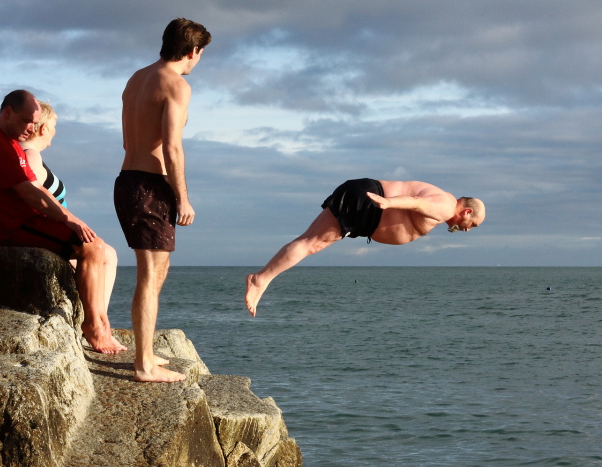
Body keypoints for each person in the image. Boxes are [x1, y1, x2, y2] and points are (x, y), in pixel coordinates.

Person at [0, 89, 125, 354]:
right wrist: (72, 221)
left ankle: (100, 323)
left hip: (26, 221)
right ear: (7, 112)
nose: (32, 127)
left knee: (95, 245)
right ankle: (94, 327)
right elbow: (32, 195)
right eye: (28, 120)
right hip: (16, 227)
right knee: (92, 247)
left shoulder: (7, 141)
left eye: (35, 121)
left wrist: (72, 221)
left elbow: (36, 190)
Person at [115, 17, 211, 383]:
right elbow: (172, 146)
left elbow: (128, 140)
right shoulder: (177, 85)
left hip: (127, 179)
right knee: (149, 271)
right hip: (150, 186)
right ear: (193, 51)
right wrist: (182, 198)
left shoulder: (136, 79)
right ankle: (143, 365)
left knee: (159, 267)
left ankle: (145, 349)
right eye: (201, 54)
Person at [244, 178, 486, 316]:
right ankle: (261, 279)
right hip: (370, 204)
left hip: (365, 197)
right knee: (311, 245)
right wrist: (388, 203)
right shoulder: (445, 206)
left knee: (308, 242)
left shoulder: (443, 197)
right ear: (466, 211)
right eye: (471, 224)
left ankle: (262, 278)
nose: (466, 229)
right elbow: (416, 203)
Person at [20, 100, 119, 313]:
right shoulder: (30, 154)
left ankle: (93, 318)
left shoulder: (26, 153)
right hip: (46, 230)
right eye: (54, 126)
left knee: (101, 256)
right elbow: (36, 197)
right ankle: (98, 319)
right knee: (108, 255)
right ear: (44, 128)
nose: (55, 132)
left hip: (50, 229)